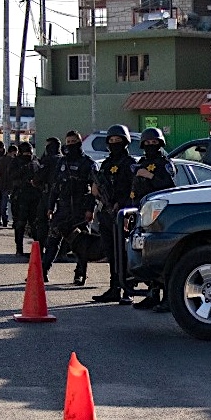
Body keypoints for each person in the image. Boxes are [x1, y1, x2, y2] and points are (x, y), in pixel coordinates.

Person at [129, 127, 176, 312]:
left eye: (154, 143)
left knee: (161, 257)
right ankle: (152, 294)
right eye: (147, 143)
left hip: (159, 215)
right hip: (141, 214)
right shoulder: (140, 162)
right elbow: (134, 189)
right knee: (146, 257)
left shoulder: (165, 164)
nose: (150, 146)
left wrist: (149, 175)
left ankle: (167, 298)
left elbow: (169, 186)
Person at [41, 131, 96, 285]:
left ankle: (80, 274)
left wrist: (90, 209)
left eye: (74, 141)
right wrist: (50, 206)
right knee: (52, 241)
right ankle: (43, 271)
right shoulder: (62, 163)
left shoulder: (88, 163)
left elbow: (94, 190)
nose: (71, 144)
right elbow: (55, 187)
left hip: (81, 209)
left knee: (82, 246)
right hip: (63, 208)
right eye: (68, 142)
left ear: (79, 142)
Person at [92, 124, 138, 304]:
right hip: (106, 213)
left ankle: (128, 289)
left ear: (125, 142)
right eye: (111, 141)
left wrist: (124, 207)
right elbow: (98, 188)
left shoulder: (130, 164)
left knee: (124, 253)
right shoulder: (106, 164)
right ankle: (114, 287)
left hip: (123, 214)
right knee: (111, 253)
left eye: (118, 141)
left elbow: (134, 189)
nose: (114, 144)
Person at [8, 141, 41, 257]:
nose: (28, 155)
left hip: (35, 197)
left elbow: (40, 174)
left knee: (35, 224)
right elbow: (11, 177)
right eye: (26, 153)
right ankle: (19, 249)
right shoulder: (16, 162)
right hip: (20, 197)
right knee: (20, 224)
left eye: (30, 153)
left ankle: (37, 249)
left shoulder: (36, 160)